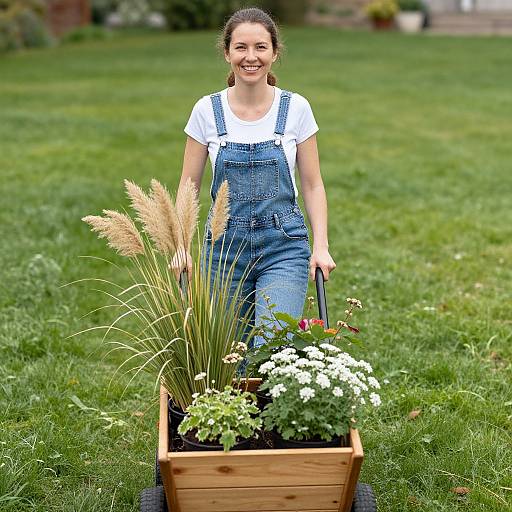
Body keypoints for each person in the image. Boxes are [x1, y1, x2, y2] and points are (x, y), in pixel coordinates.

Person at [175, 7, 336, 346]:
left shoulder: (296, 109)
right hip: (223, 250)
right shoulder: (207, 110)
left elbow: (312, 183)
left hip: (284, 246)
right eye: (241, 47)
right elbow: (188, 186)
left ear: (275, 52)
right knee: (225, 356)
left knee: (271, 350)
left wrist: (320, 247)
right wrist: (181, 247)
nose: (251, 57)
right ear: (227, 53)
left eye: (261, 47)